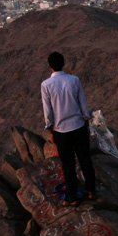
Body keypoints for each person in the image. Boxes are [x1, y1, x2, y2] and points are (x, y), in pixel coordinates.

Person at [41, 51, 96, 206]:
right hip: (78, 126)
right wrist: (86, 119)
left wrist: (50, 129)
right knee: (85, 159)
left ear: (49, 66)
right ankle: (91, 191)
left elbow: (48, 111)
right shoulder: (74, 80)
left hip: (61, 130)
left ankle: (72, 198)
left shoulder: (46, 85)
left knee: (68, 164)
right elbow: (83, 104)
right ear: (63, 63)